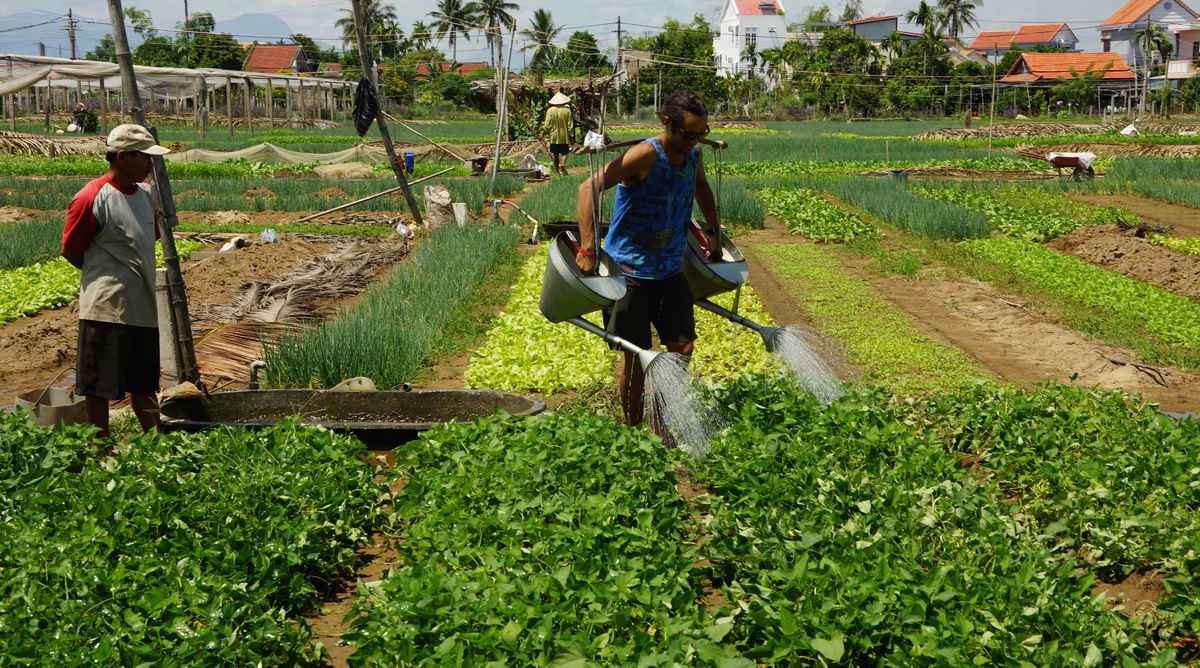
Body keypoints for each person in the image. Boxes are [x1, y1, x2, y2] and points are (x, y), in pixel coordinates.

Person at [575, 90, 720, 428]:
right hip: (629, 275)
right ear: (666, 123)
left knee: (681, 351)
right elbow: (588, 188)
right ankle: (633, 429)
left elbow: (701, 188)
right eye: (689, 133)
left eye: (702, 133)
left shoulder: (694, 154)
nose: (696, 140)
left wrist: (713, 231)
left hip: (670, 270)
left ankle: (663, 421)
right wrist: (587, 248)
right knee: (637, 358)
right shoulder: (644, 156)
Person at [61, 124, 170, 439]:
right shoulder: (92, 196)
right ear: (122, 157)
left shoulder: (147, 197)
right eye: (144, 158)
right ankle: (101, 446)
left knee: (144, 381)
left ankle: (156, 441)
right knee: (98, 384)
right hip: (105, 307)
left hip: (142, 305)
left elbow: (147, 240)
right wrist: (104, 278)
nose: (150, 164)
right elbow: (71, 249)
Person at [543, 91, 573, 176]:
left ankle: (557, 171)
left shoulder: (550, 111)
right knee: (565, 152)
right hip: (564, 136)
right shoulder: (567, 111)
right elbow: (570, 126)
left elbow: (547, 124)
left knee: (555, 154)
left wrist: (544, 133)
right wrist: (571, 136)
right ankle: (562, 164)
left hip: (554, 136)